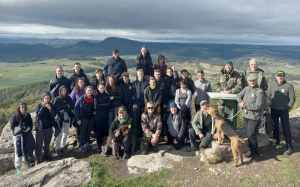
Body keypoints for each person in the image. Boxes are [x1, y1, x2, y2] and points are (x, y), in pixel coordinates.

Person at [237, 73, 265, 162]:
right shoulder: (247, 88)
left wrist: (244, 105)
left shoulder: (259, 91)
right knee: (248, 134)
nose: (252, 82)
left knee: (251, 134)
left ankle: (256, 154)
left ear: (256, 80)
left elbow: (258, 106)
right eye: (250, 81)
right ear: (248, 81)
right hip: (246, 115)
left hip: (255, 117)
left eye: (253, 80)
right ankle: (250, 150)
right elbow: (238, 95)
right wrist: (240, 102)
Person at [267, 70, 296, 155]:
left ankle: (290, 146)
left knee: (286, 128)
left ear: (284, 77)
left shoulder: (289, 85)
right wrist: (267, 107)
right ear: (276, 77)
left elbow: (292, 98)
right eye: (279, 76)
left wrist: (288, 107)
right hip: (274, 109)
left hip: (284, 110)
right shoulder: (272, 85)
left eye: (282, 76)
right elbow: (268, 96)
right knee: (275, 126)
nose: (280, 77)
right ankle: (276, 141)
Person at [10, 103, 35, 174]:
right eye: (22, 108)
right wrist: (21, 129)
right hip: (18, 137)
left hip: (26, 135)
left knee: (25, 149)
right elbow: (12, 127)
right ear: (19, 108)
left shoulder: (28, 115)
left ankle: (25, 164)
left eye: (24, 107)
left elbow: (31, 124)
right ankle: (18, 166)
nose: (23, 109)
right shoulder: (15, 116)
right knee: (18, 151)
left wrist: (29, 128)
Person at [35, 91, 56, 164]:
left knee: (47, 143)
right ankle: (37, 157)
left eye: (48, 98)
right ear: (43, 98)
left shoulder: (52, 106)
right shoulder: (39, 106)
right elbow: (39, 115)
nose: (47, 100)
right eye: (45, 98)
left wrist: (50, 108)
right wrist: (43, 107)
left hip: (48, 127)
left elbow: (53, 115)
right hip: (40, 128)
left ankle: (46, 154)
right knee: (39, 144)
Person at [53, 86, 74, 156]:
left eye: (65, 90)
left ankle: (63, 146)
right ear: (60, 91)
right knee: (59, 133)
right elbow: (58, 109)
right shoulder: (57, 99)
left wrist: (64, 109)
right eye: (62, 90)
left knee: (65, 132)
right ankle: (57, 149)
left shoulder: (68, 98)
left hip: (68, 117)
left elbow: (71, 106)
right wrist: (66, 106)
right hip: (60, 119)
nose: (64, 92)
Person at [75, 85, 95, 153]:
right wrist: (78, 119)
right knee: (83, 133)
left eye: (90, 90)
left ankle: (87, 144)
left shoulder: (94, 98)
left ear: (92, 91)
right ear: (85, 91)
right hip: (83, 118)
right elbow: (76, 109)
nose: (89, 91)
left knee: (88, 132)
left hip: (91, 118)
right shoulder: (81, 99)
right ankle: (81, 145)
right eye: (88, 90)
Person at [132, 69, 149, 137]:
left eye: (142, 74)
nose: (141, 75)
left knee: (146, 118)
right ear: (137, 75)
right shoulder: (134, 83)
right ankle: (138, 132)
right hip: (137, 103)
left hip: (145, 103)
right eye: (139, 74)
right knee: (138, 118)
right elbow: (133, 94)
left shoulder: (147, 83)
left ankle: (146, 132)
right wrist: (134, 103)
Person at [94, 83, 111, 151]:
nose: (102, 89)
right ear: (98, 88)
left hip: (105, 115)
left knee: (105, 129)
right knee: (98, 130)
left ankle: (104, 144)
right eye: (100, 88)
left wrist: (102, 105)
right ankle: (98, 144)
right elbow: (96, 106)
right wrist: (104, 105)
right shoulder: (96, 96)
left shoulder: (106, 95)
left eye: (103, 88)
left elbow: (109, 104)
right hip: (98, 116)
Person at [70, 77, 86, 146]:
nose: (81, 83)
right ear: (77, 83)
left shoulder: (86, 90)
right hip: (77, 111)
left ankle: (84, 140)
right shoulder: (74, 91)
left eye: (82, 82)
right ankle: (78, 141)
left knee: (84, 126)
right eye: (80, 82)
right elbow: (71, 101)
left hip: (85, 111)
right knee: (78, 127)